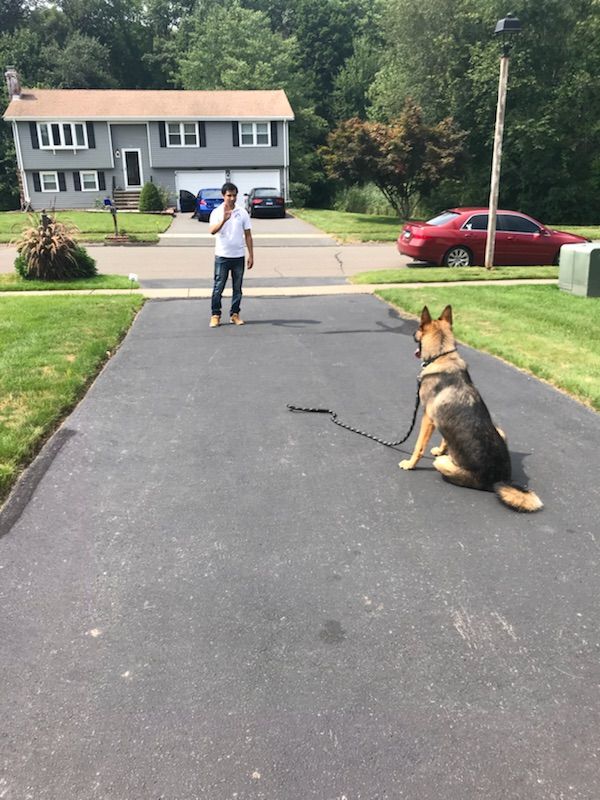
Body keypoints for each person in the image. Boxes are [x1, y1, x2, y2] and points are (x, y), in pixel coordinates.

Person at [208, 182, 253, 327]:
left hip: (238, 255)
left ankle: (235, 314)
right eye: (229, 195)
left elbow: (248, 235)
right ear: (223, 196)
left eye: (234, 195)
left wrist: (251, 255)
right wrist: (224, 219)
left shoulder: (242, 212)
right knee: (218, 287)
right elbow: (212, 231)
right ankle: (215, 315)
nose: (232, 198)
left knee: (237, 288)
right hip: (222, 256)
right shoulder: (217, 212)